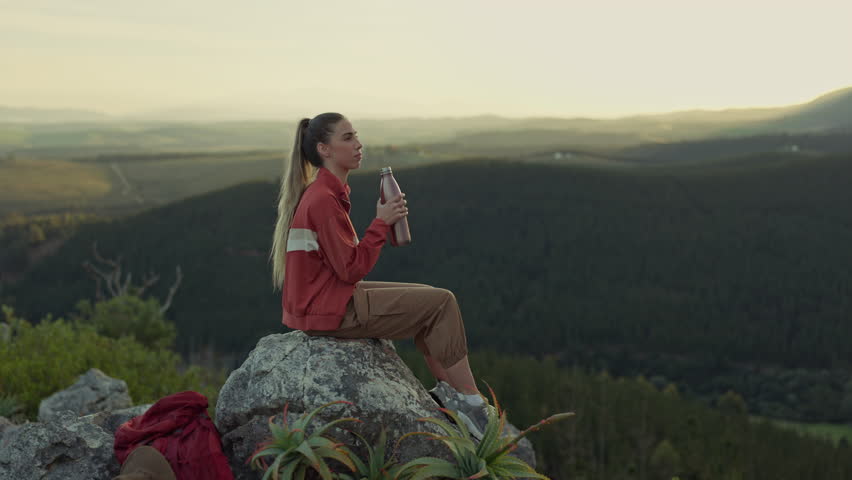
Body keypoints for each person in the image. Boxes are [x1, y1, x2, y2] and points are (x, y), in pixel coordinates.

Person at [268, 112, 495, 441]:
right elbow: (351, 269)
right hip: (329, 311)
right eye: (347, 138)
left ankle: (451, 393)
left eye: (356, 136)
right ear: (324, 149)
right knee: (442, 302)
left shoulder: (323, 193)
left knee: (429, 297)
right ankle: (472, 403)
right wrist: (380, 223)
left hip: (323, 302)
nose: (359, 144)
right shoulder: (323, 200)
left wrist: (381, 223)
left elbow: (340, 268)